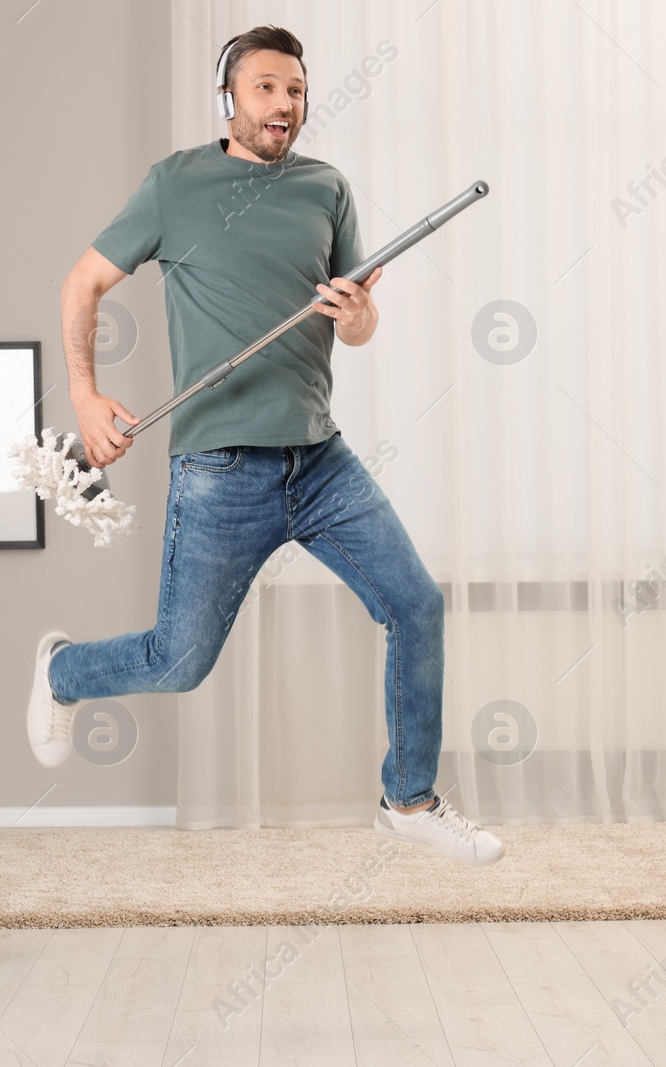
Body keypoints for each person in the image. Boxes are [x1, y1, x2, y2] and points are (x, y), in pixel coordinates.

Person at [25, 25, 502, 865]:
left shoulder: (326, 188)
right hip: (218, 470)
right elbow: (83, 282)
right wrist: (85, 393)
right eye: (267, 89)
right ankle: (64, 671)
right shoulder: (175, 184)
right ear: (230, 98)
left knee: (418, 605)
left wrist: (358, 317)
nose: (285, 104)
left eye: (295, 90)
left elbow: (356, 321)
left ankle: (411, 798)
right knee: (177, 664)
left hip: (320, 461)